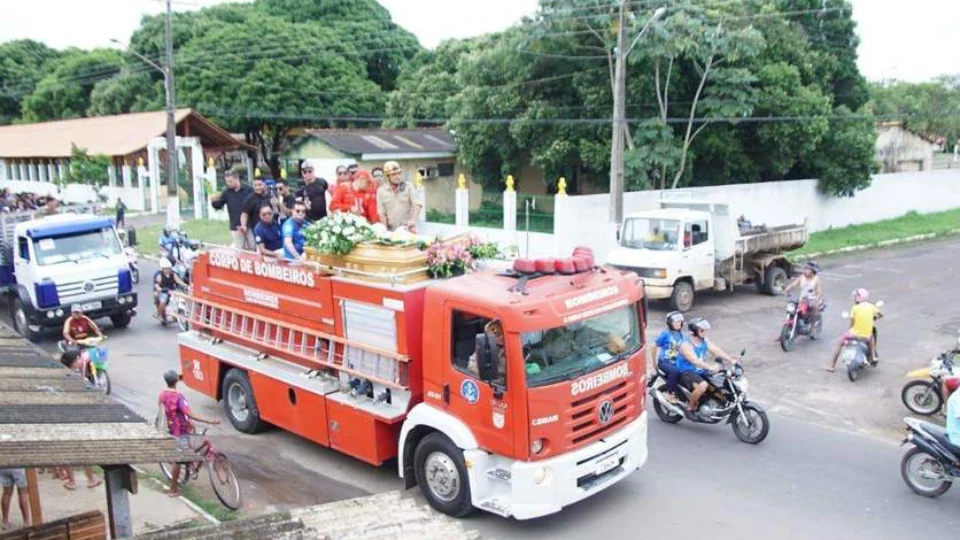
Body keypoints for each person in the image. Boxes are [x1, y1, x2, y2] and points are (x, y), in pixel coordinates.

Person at [158, 370, 219, 497]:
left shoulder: (163, 395)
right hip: (180, 431)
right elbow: (189, 413)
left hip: (172, 428)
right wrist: (210, 421)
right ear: (176, 381)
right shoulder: (179, 397)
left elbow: (165, 410)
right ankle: (173, 490)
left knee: (187, 449)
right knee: (178, 461)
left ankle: (188, 465)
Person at [676, 317, 734, 413]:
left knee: (719, 380)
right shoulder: (685, 344)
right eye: (702, 330)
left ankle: (713, 402)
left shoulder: (704, 341)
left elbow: (716, 351)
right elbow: (695, 361)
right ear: (694, 331)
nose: (705, 332)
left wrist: (731, 360)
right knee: (703, 385)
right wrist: (710, 367)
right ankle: (690, 407)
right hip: (686, 372)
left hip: (700, 370)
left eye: (705, 330)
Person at [827, 287, 882, 372]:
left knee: (839, 342)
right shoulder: (871, 307)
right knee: (871, 339)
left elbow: (852, 323)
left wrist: (849, 331)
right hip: (865, 336)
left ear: (858, 297)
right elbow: (880, 314)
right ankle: (873, 357)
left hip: (853, 335)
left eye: (855, 296)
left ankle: (832, 365)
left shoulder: (855, 308)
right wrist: (876, 316)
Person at [211, 170, 254, 250]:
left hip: (250, 224)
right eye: (227, 181)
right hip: (235, 225)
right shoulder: (226, 192)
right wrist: (213, 201)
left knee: (253, 247)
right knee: (240, 249)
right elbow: (219, 205)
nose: (228, 183)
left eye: (230, 181)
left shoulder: (249, 190)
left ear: (237, 179)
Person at [651, 311, 687, 403]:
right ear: (670, 324)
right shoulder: (665, 334)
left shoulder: (681, 335)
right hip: (665, 362)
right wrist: (654, 363)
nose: (678, 324)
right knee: (675, 371)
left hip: (676, 362)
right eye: (675, 322)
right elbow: (653, 345)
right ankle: (669, 394)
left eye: (680, 322)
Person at [377, 161, 421, 232]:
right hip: (391, 230)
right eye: (394, 174)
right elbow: (382, 213)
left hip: (407, 229)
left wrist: (413, 220)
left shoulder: (408, 186)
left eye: (399, 173)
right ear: (387, 176)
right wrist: (384, 230)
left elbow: (417, 205)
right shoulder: (381, 191)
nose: (398, 176)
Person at [783, 261, 823, 327]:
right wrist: (787, 290)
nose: (805, 271)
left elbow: (819, 292)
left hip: (812, 300)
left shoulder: (816, 279)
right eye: (805, 269)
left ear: (813, 271)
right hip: (803, 300)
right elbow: (793, 284)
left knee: (814, 307)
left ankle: (814, 326)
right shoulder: (802, 277)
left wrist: (816, 299)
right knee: (792, 308)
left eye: (808, 269)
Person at [239, 176, 276, 242]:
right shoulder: (250, 199)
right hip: (256, 229)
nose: (257, 187)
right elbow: (244, 213)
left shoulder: (270, 196)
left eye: (260, 185)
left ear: (265, 185)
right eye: (255, 185)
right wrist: (243, 225)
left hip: (271, 227)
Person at [154, 258, 188, 324]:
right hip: (164, 291)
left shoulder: (173, 274)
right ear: (162, 269)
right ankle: (158, 314)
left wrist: (185, 285)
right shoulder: (159, 275)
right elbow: (157, 285)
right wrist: (160, 289)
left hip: (172, 290)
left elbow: (178, 281)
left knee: (181, 299)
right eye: (165, 268)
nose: (167, 270)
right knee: (163, 301)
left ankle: (176, 314)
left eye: (168, 268)